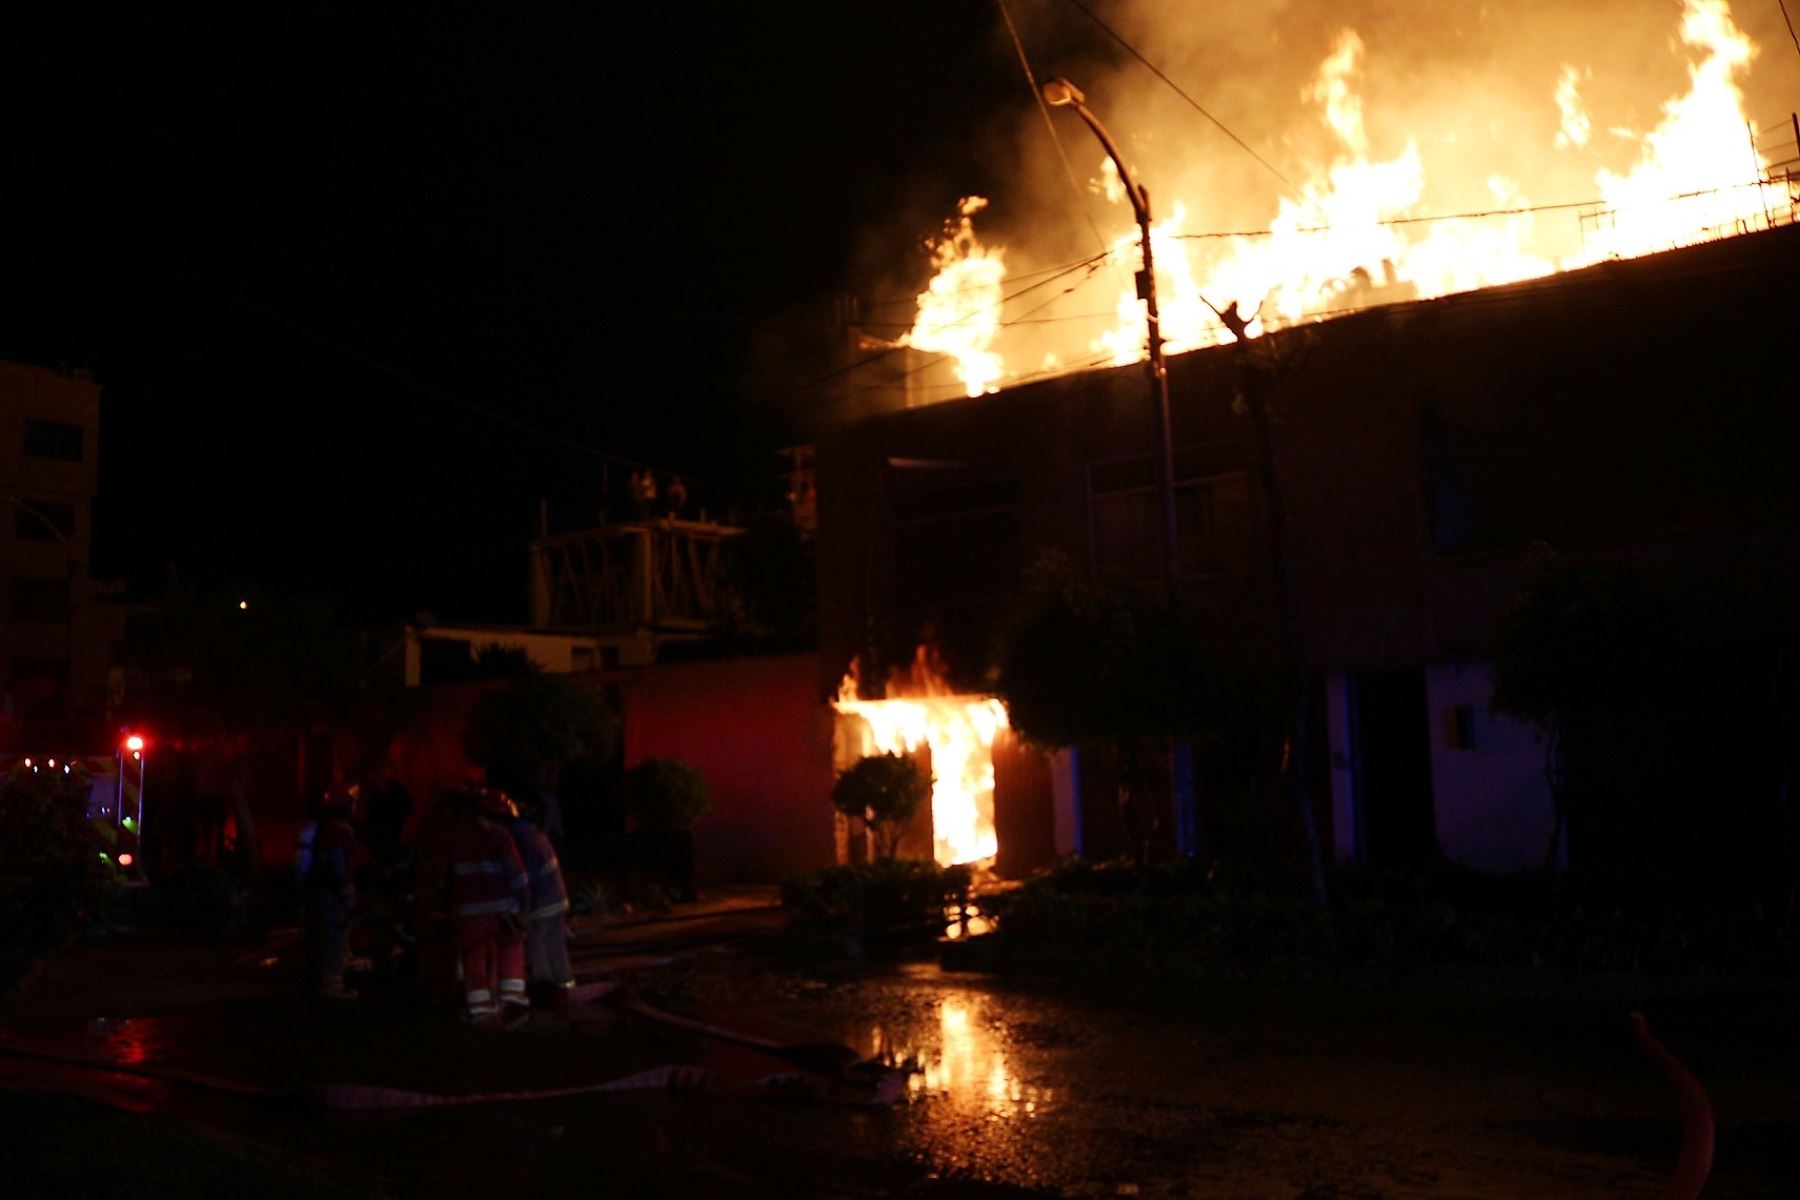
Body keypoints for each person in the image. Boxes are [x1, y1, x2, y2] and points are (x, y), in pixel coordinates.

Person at [444, 788, 531, 1026]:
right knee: (510, 948)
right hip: (501, 911)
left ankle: (480, 1007)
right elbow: (518, 877)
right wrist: (523, 903)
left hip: (468, 912)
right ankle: (511, 1000)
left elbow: (447, 877)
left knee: (474, 957)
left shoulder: (455, 838)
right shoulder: (500, 836)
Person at [497, 799, 575, 1000]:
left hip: (542, 904)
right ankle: (565, 987)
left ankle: (544, 991)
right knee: (556, 944)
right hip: (557, 900)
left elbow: (525, 879)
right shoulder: (536, 837)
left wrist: (518, 906)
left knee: (536, 945)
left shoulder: (524, 842)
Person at [304, 784, 360, 1001]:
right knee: (333, 939)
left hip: (324, 891)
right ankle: (332, 989)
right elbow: (339, 866)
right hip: (332, 894)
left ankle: (327, 984)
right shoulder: (339, 831)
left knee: (330, 937)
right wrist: (347, 892)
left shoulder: (327, 828)